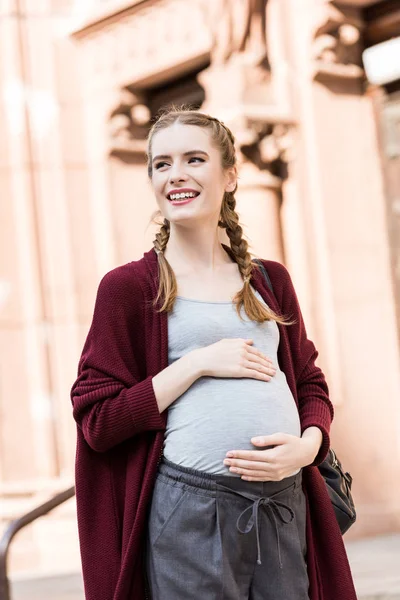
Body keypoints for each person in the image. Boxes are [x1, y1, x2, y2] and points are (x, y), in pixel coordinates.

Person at [71, 109, 357, 600]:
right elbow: (98, 418)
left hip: (285, 501)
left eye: (194, 159)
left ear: (229, 175)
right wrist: (195, 364)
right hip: (190, 508)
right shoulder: (128, 288)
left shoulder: (269, 280)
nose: (176, 174)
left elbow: (309, 383)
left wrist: (311, 445)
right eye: (161, 164)